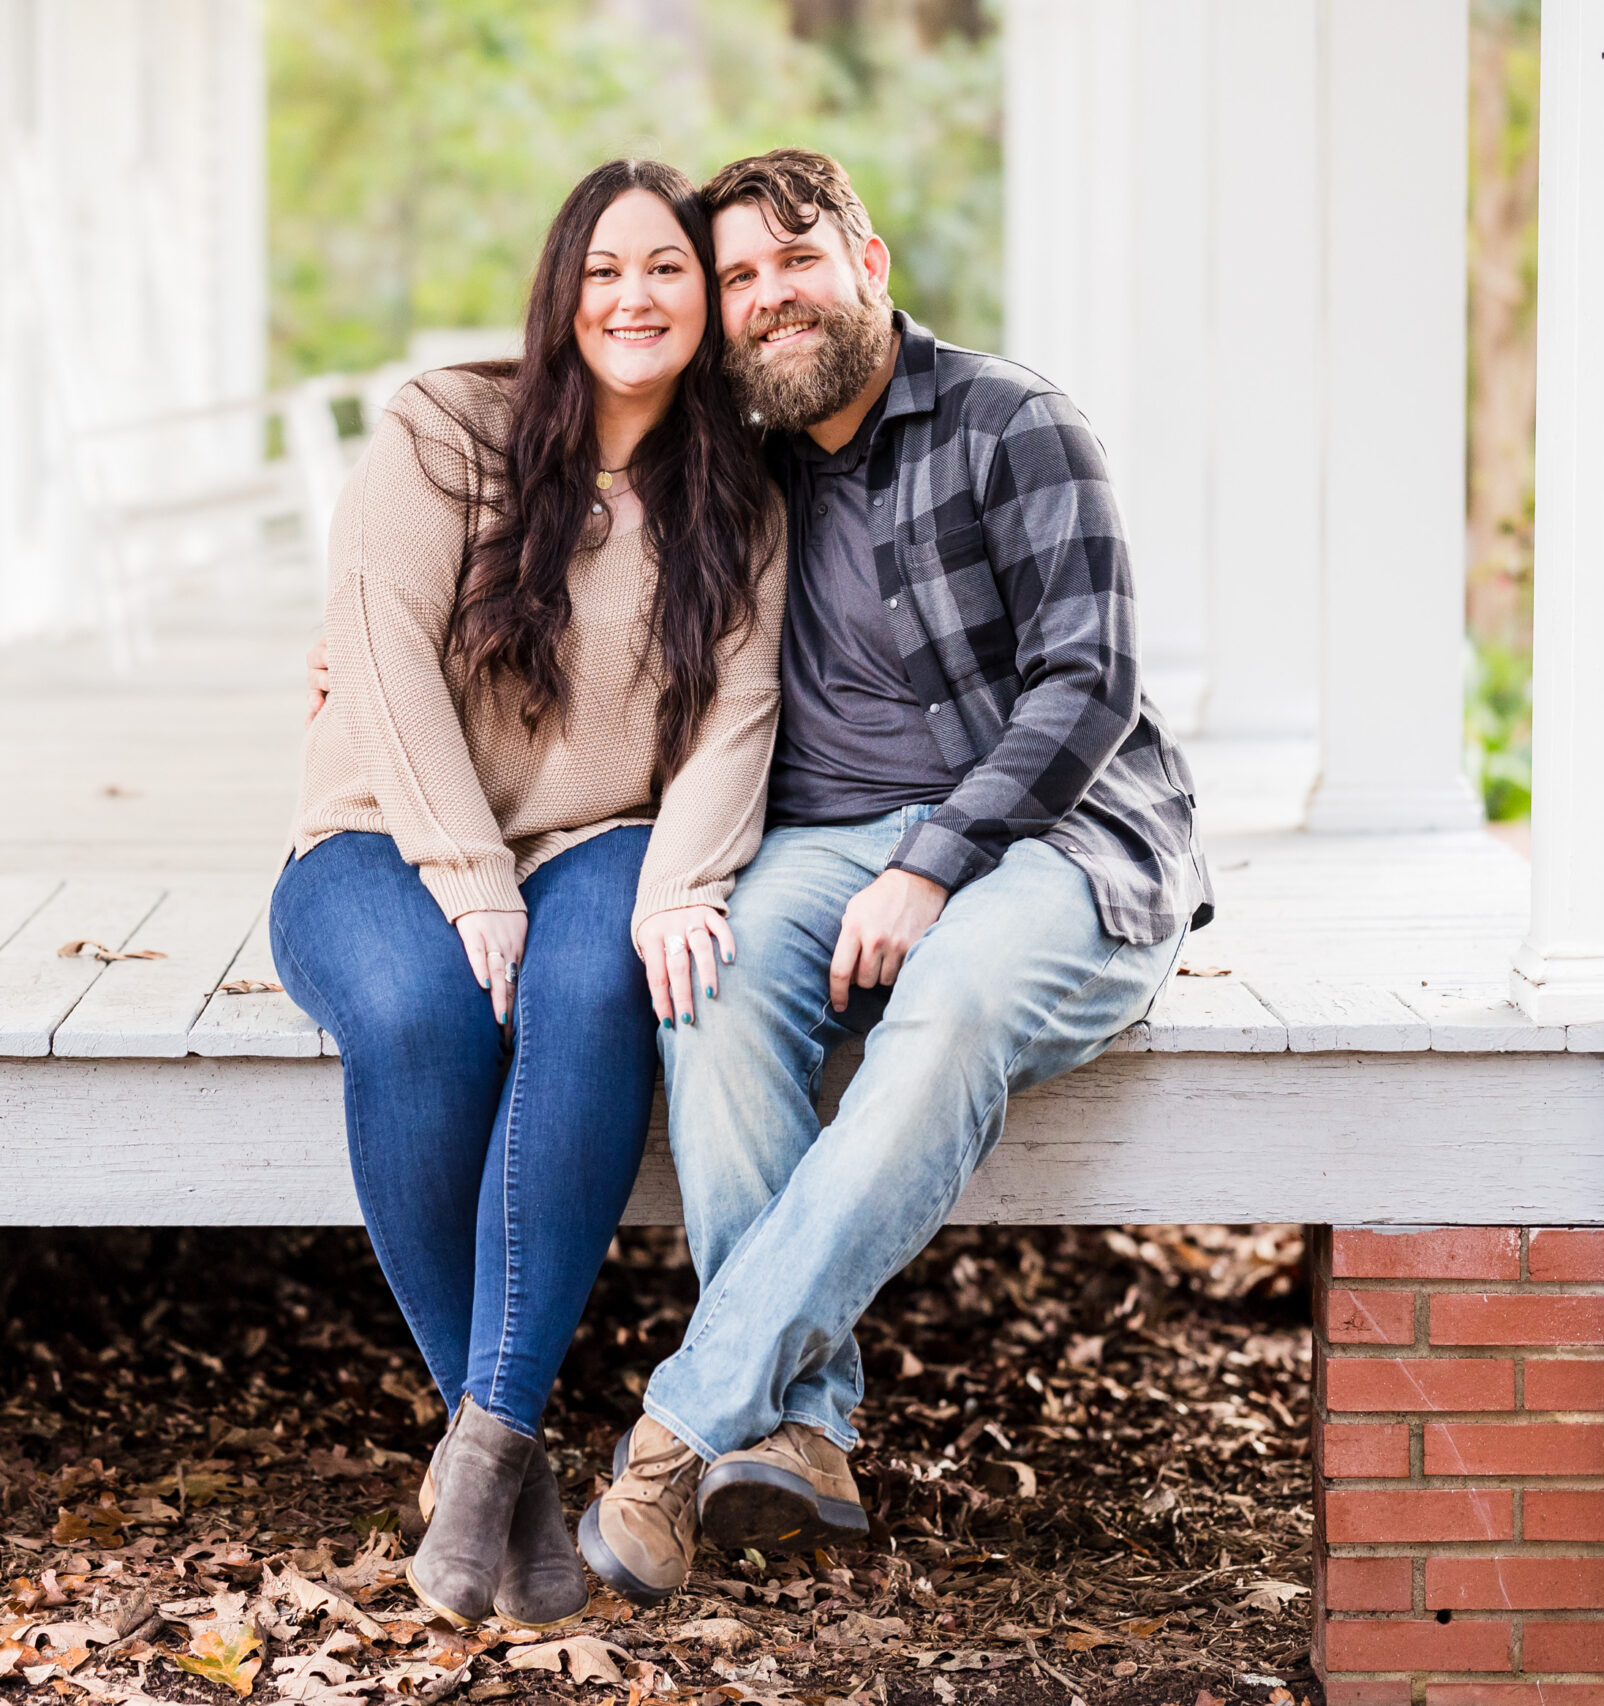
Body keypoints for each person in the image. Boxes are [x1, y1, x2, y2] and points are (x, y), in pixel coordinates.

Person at [569, 148, 1214, 1603]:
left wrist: (935, 864)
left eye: (796, 258)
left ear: (868, 263)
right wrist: (373, 650)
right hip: (828, 839)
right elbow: (568, 501)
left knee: (956, 1000)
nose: (768, 296)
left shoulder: (1014, 422)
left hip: (1059, 832)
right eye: (738, 277)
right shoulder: (745, 461)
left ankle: (682, 1427)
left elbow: (1090, 679)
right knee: (710, 983)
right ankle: (805, 1428)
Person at [269, 158, 787, 1632]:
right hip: (378, 831)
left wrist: (685, 878)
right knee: (424, 1016)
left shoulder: (738, 498)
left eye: (668, 270)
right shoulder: (447, 433)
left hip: (599, 837)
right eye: (606, 267)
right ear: (562, 289)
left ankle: (480, 1452)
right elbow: (373, 658)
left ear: (704, 305)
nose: (635, 295)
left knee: (591, 985)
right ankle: (515, 1451)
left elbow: (742, 709)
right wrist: (467, 875)